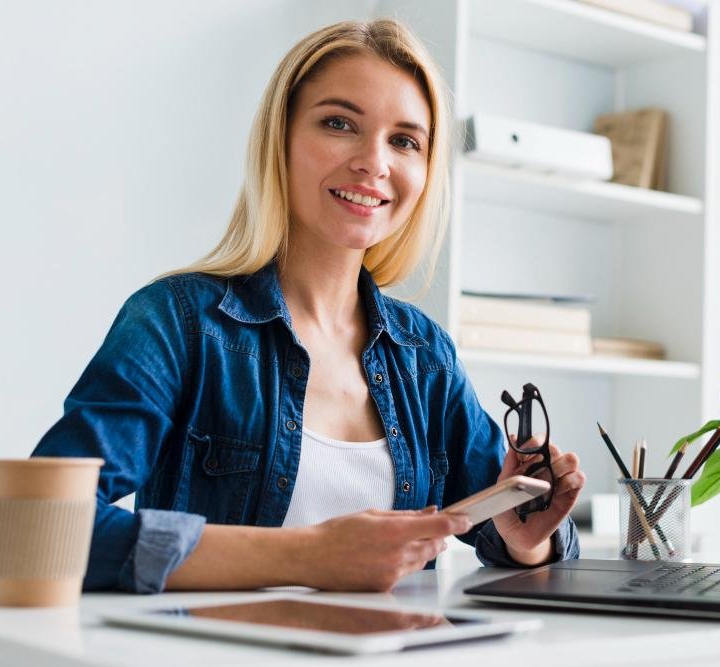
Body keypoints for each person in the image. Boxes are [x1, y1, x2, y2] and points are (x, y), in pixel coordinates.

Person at [33, 18, 584, 594]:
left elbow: (506, 533)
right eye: (339, 123)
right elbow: (41, 531)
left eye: (405, 141)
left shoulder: (424, 356)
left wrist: (527, 540)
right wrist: (305, 556)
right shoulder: (177, 323)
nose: (375, 162)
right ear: (282, 139)